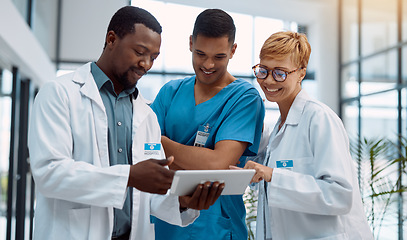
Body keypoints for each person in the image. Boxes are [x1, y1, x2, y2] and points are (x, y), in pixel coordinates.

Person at [27, 6, 224, 240]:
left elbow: (146, 197)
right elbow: (50, 173)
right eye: (140, 52)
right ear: (112, 39)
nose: (146, 64)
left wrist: (182, 201)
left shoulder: (146, 114)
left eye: (153, 57)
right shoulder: (60, 94)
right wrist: (129, 176)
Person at [234, 31, 373, 239]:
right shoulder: (278, 130)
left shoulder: (319, 119)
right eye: (263, 71)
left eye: (280, 73)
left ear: (301, 73)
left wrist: (273, 175)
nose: (269, 81)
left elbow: (340, 195)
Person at [150, 9, 265, 240]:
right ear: (190, 43)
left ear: (233, 50)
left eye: (219, 56)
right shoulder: (170, 92)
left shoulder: (244, 98)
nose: (208, 64)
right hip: (164, 223)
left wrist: (161, 141)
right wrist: (194, 159)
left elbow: (218, 162)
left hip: (216, 227)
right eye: (201, 53)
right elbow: (145, 156)